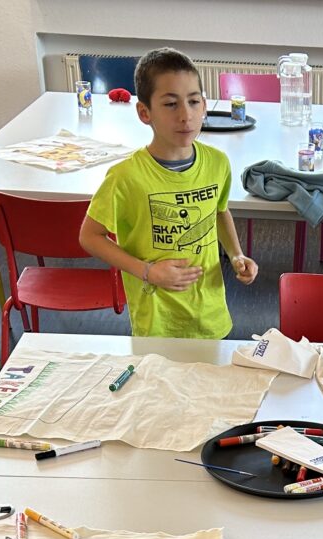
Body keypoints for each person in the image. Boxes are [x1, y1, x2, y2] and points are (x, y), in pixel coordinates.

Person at [78, 47, 258, 338]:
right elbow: (90, 236)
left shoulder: (217, 163)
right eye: (171, 104)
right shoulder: (126, 177)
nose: (186, 115)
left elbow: (219, 211)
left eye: (194, 101)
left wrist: (236, 255)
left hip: (209, 314)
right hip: (157, 321)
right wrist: (147, 271)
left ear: (204, 106)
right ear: (144, 112)